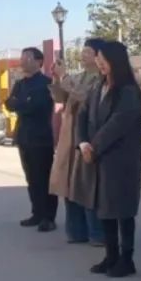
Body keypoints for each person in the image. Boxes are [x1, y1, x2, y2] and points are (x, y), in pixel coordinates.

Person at [77, 41, 141, 277]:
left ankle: (127, 259)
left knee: (122, 210)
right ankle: (111, 255)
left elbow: (117, 124)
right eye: (98, 59)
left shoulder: (128, 91)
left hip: (121, 159)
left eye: (104, 59)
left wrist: (93, 147)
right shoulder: (99, 85)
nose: (100, 63)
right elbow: (83, 115)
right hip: (98, 156)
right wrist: (83, 143)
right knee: (104, 208)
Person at [49, 38, 105, 246]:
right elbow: (59, 98)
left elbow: (84, 97)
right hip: (69, 135)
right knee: (69, 184)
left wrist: (64, 77)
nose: (83, 55)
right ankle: (75, 231)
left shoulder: (101, 80)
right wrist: (57, 78)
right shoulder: (78, 77)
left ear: (99, 56)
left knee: (86, 184)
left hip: (87, 135)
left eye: (88, 52)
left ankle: (96, 233)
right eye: (83, 51)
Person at [6, 47, 57, 232]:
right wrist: (23, 103)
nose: (23, 61)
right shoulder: (20, 84)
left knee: (44, 178)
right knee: (31, 178)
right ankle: (36, 213)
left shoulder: (46, 83)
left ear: (38, 61)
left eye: (27, 58)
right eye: (22, 57)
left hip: (40, 137)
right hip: (24, 136)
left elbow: (38, 106)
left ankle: (48, 217)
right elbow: (9, 103)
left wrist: (21, 104)